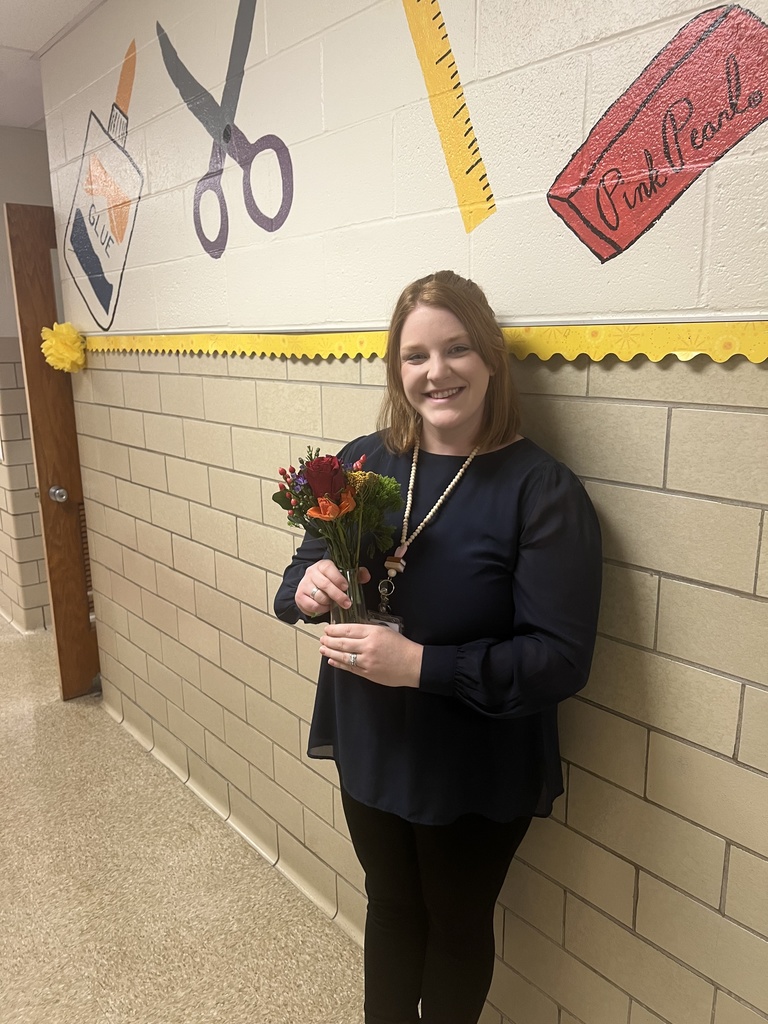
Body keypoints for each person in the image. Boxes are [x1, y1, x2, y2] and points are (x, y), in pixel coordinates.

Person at [274, 270, 602, 1024]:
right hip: (372, 739)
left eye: (456, 349)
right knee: (389, 905)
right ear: (397, 368)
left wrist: (420, 665)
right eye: (415, 355)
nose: (436, 371)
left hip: (473, 758)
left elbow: (558, 658)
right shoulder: (364, 461)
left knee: (455, 924)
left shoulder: (541, 490)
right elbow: (297, 573)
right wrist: (309, 584)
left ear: (490, 358)